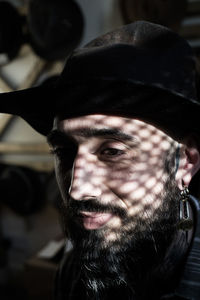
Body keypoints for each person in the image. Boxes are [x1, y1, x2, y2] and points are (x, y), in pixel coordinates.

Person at [0, 21, 200, 300]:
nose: (77, 189)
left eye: (112, 151)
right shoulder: (74, 271)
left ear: (186, 162)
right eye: (64, 151)